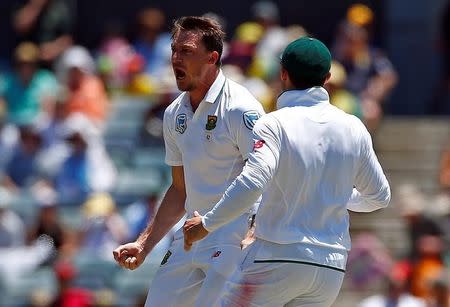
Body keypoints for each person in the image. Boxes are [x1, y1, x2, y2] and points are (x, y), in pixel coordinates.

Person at [184, 37, 391, 306]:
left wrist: (207, 224)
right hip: (330, 267)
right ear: (327, 77)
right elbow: (379, 196)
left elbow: (253, 181)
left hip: (277, 257)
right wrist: (328, 193)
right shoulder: (353, 127)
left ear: (283, 74)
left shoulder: (273, 124)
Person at [113, 16, 264, 307]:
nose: (175, 59)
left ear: (212, 58)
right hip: (190, 236)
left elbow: (268, 173)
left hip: (233, 237)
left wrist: (255, 232)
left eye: (187, 51)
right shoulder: (173, 114)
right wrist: (144, 244)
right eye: (174, 50)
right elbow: (179, 190)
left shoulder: (240, 107)